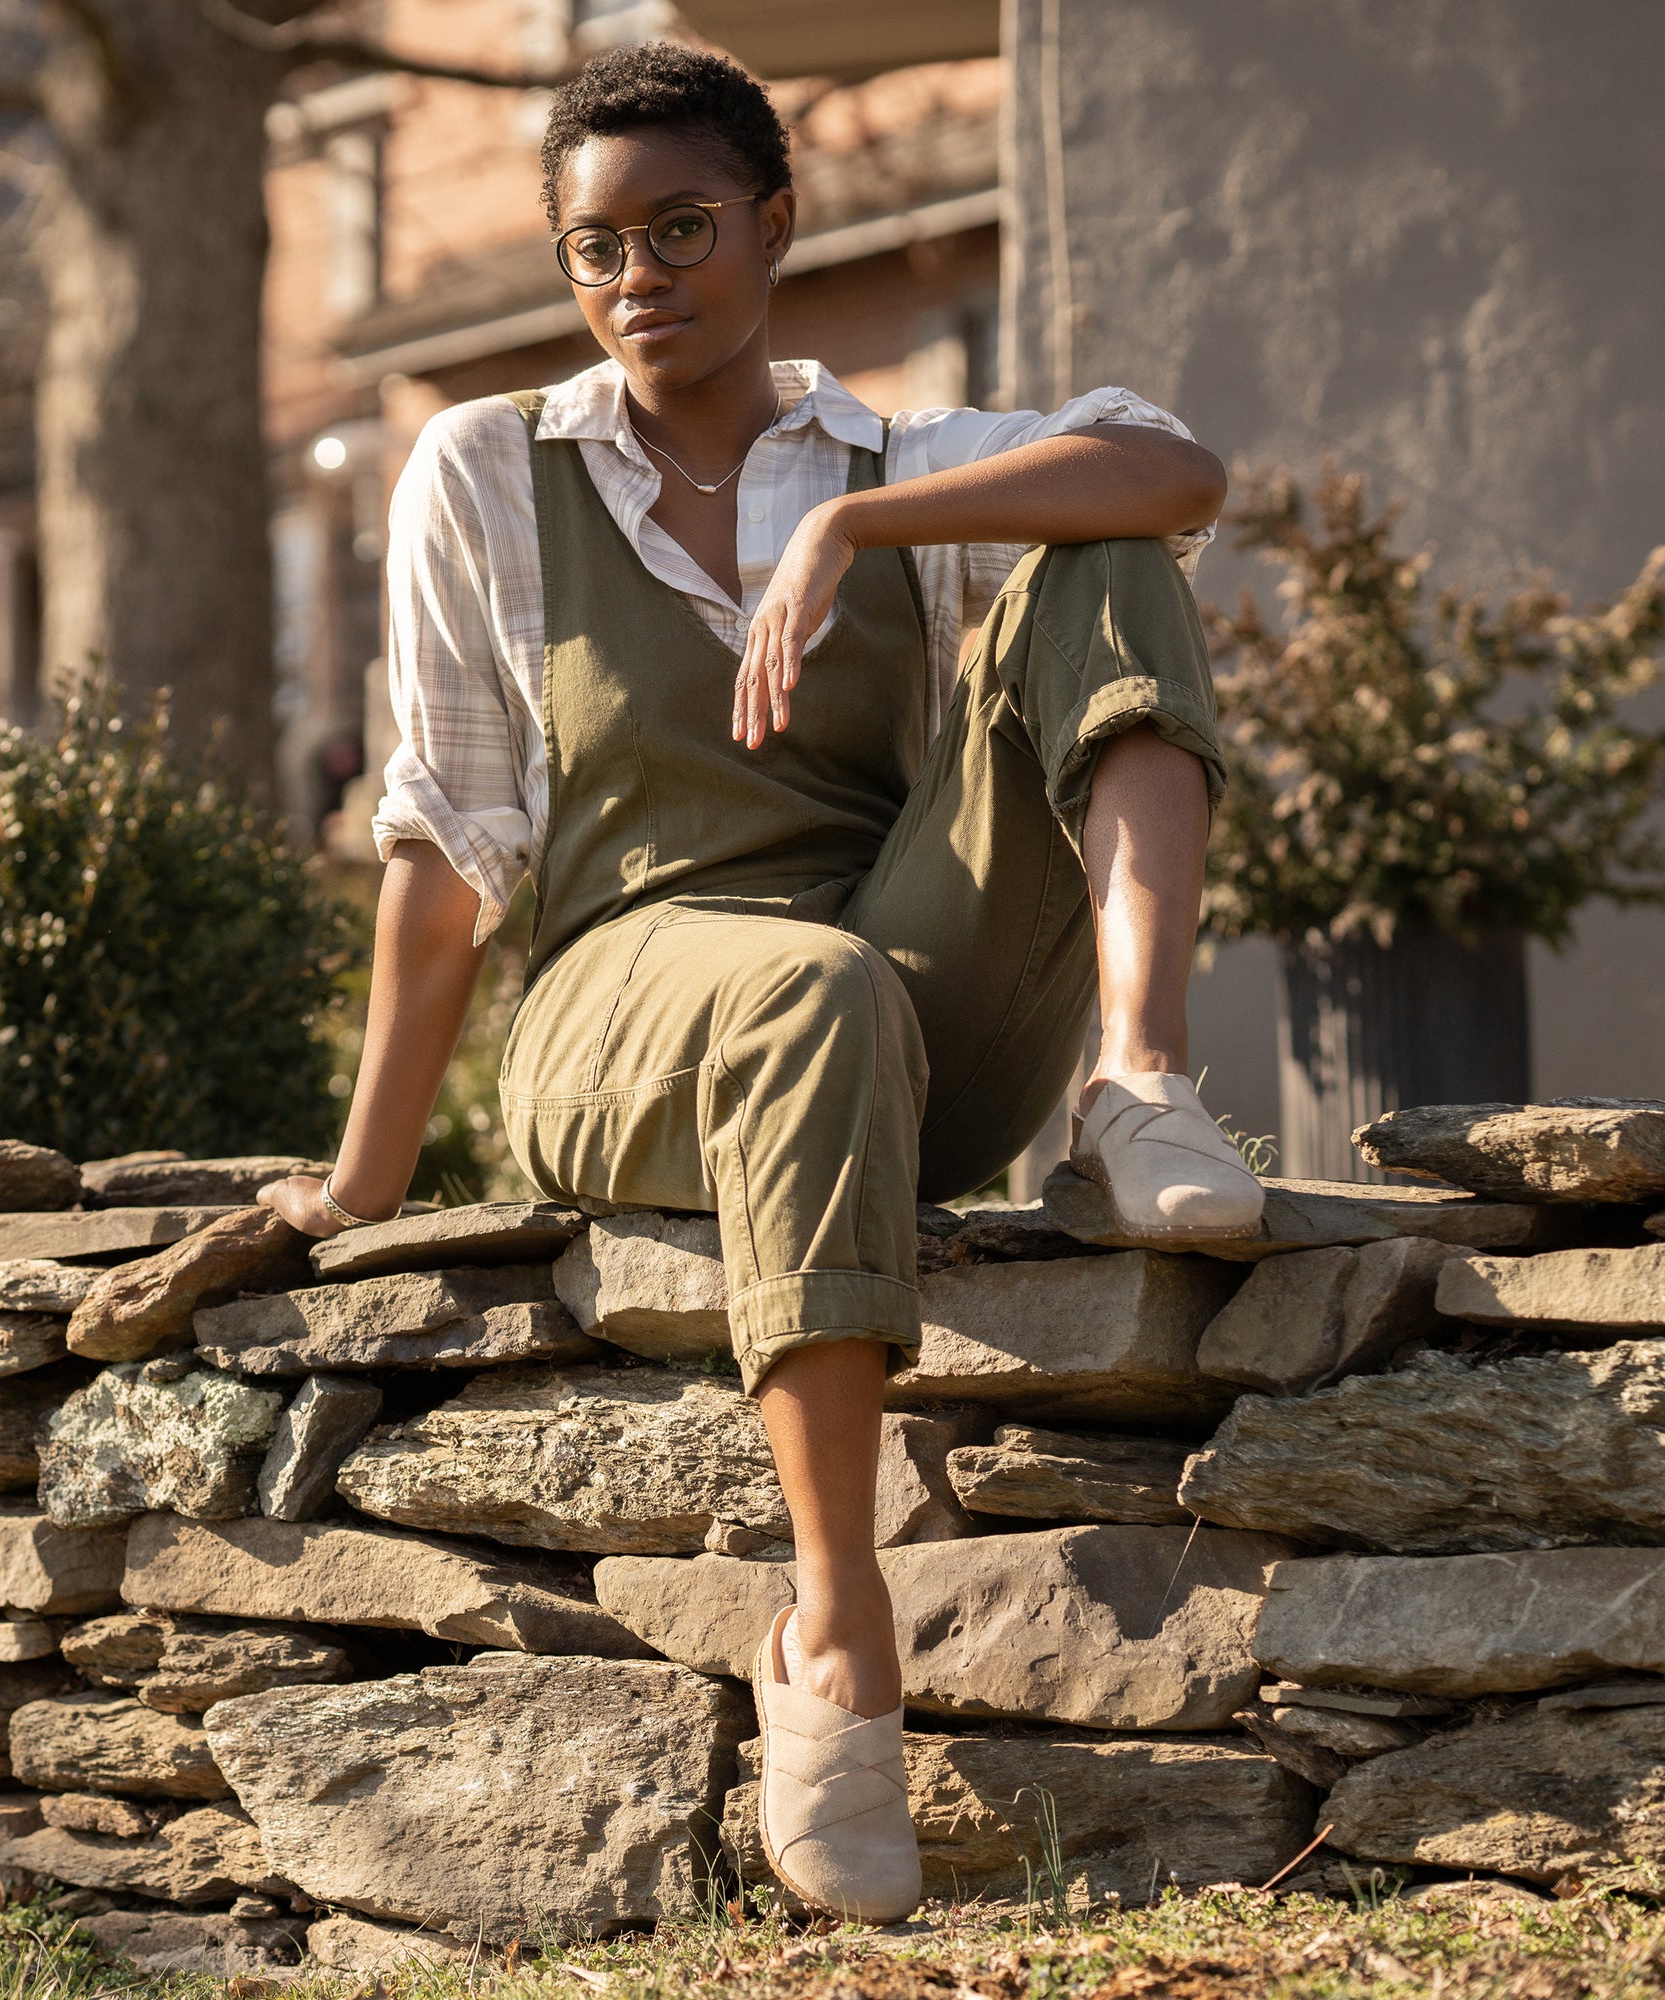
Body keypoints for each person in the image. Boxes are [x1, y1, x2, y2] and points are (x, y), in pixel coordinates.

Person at [261, 42, 1264, 1924]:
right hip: (621, 1013)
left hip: (911, 1011)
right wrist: (364, 1186)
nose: (635, 274)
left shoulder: (897, 465)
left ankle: (1134, 1080)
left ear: (776, 225)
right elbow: (445, 845)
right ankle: (839, 1626)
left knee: (1105, 547)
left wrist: (856, 528)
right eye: (594, 247)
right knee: (803, 986)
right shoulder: (487, 468)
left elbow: (1181, 469)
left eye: (682, 225)